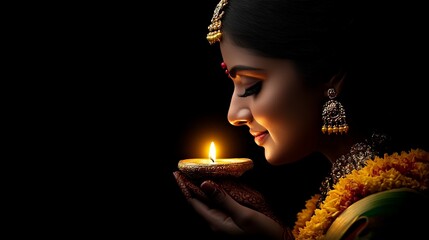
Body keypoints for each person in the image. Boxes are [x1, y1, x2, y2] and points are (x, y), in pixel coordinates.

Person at [173, 0, 429, 239]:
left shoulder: (384, 214)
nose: (233, 115)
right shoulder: (340, 195)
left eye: (251, 86)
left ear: (330, 75)